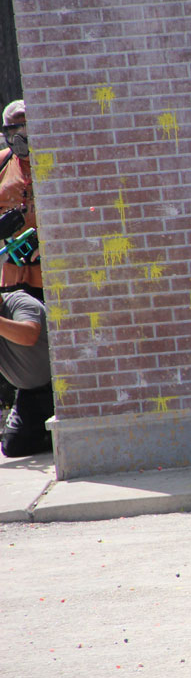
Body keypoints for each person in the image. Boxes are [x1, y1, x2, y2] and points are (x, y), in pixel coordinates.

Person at [0, 288, 53, 457]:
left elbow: (29, 335)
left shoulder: (20, 302)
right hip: (28, 394)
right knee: (13, 446)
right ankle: (49, 437)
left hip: (57, 389)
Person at [0, 99, 40, 302]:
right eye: (13, 132)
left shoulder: (57, 161)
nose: (19, 139)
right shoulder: (3, 162)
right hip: (13, 272)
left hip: (51, 268)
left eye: (25, 130)